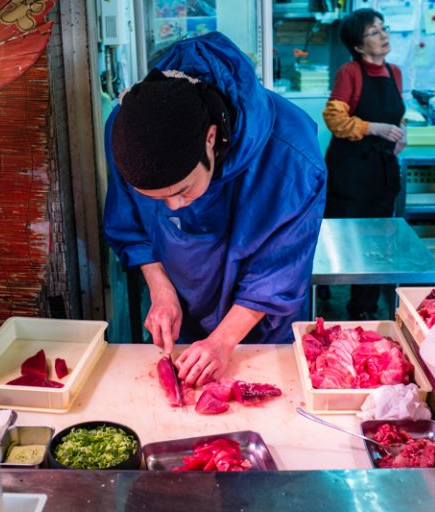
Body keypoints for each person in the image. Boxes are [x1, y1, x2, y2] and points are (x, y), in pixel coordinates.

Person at [104, 32, 327, 387]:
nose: (174, 207)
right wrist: (162, 292)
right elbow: (130, 226)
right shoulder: (127, 126)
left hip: (260, 329)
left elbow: (278, 275)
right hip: (181, 311)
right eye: (156, 198)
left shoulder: (292, 157)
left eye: (182, 191)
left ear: (211, 139)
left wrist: (223, 342)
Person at [321, 9, 405, 320]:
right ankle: (327, 296)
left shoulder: (395, 72)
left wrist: (399, 133)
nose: (383, 36)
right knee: (346, 236)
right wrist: (374, 128)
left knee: (377, 239)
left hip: (381, 171)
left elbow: (396, 113)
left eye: (384, 29)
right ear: (358, 45)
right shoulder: (350, 72)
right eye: (374, 32)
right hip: (351, 170)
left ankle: (365, 308)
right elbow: (333, 118)